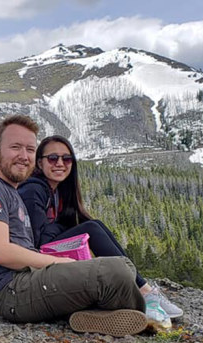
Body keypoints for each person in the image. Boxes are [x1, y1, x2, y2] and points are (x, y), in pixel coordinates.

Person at [0, 115, 152, 336]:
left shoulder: (12, 193)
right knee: (115, 271)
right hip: (11, 291)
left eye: (30, 149)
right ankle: (146, 316)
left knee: (125, 267)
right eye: (15, 147)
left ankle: (97, 316)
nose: (23, 156)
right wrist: (59, 262)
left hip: (29, 282)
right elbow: (0, 252)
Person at [17, 135, 182, 325]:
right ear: (40, 162)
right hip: (33, 260)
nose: (60, 163)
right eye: (53, 158)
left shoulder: (57, 191)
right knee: (91, 228)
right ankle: (144, 292)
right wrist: (66, 226)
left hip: (45, 255)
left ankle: (137, 289)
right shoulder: (34, 190)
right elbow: (38, 240)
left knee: (95, 225)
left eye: (67, 158)